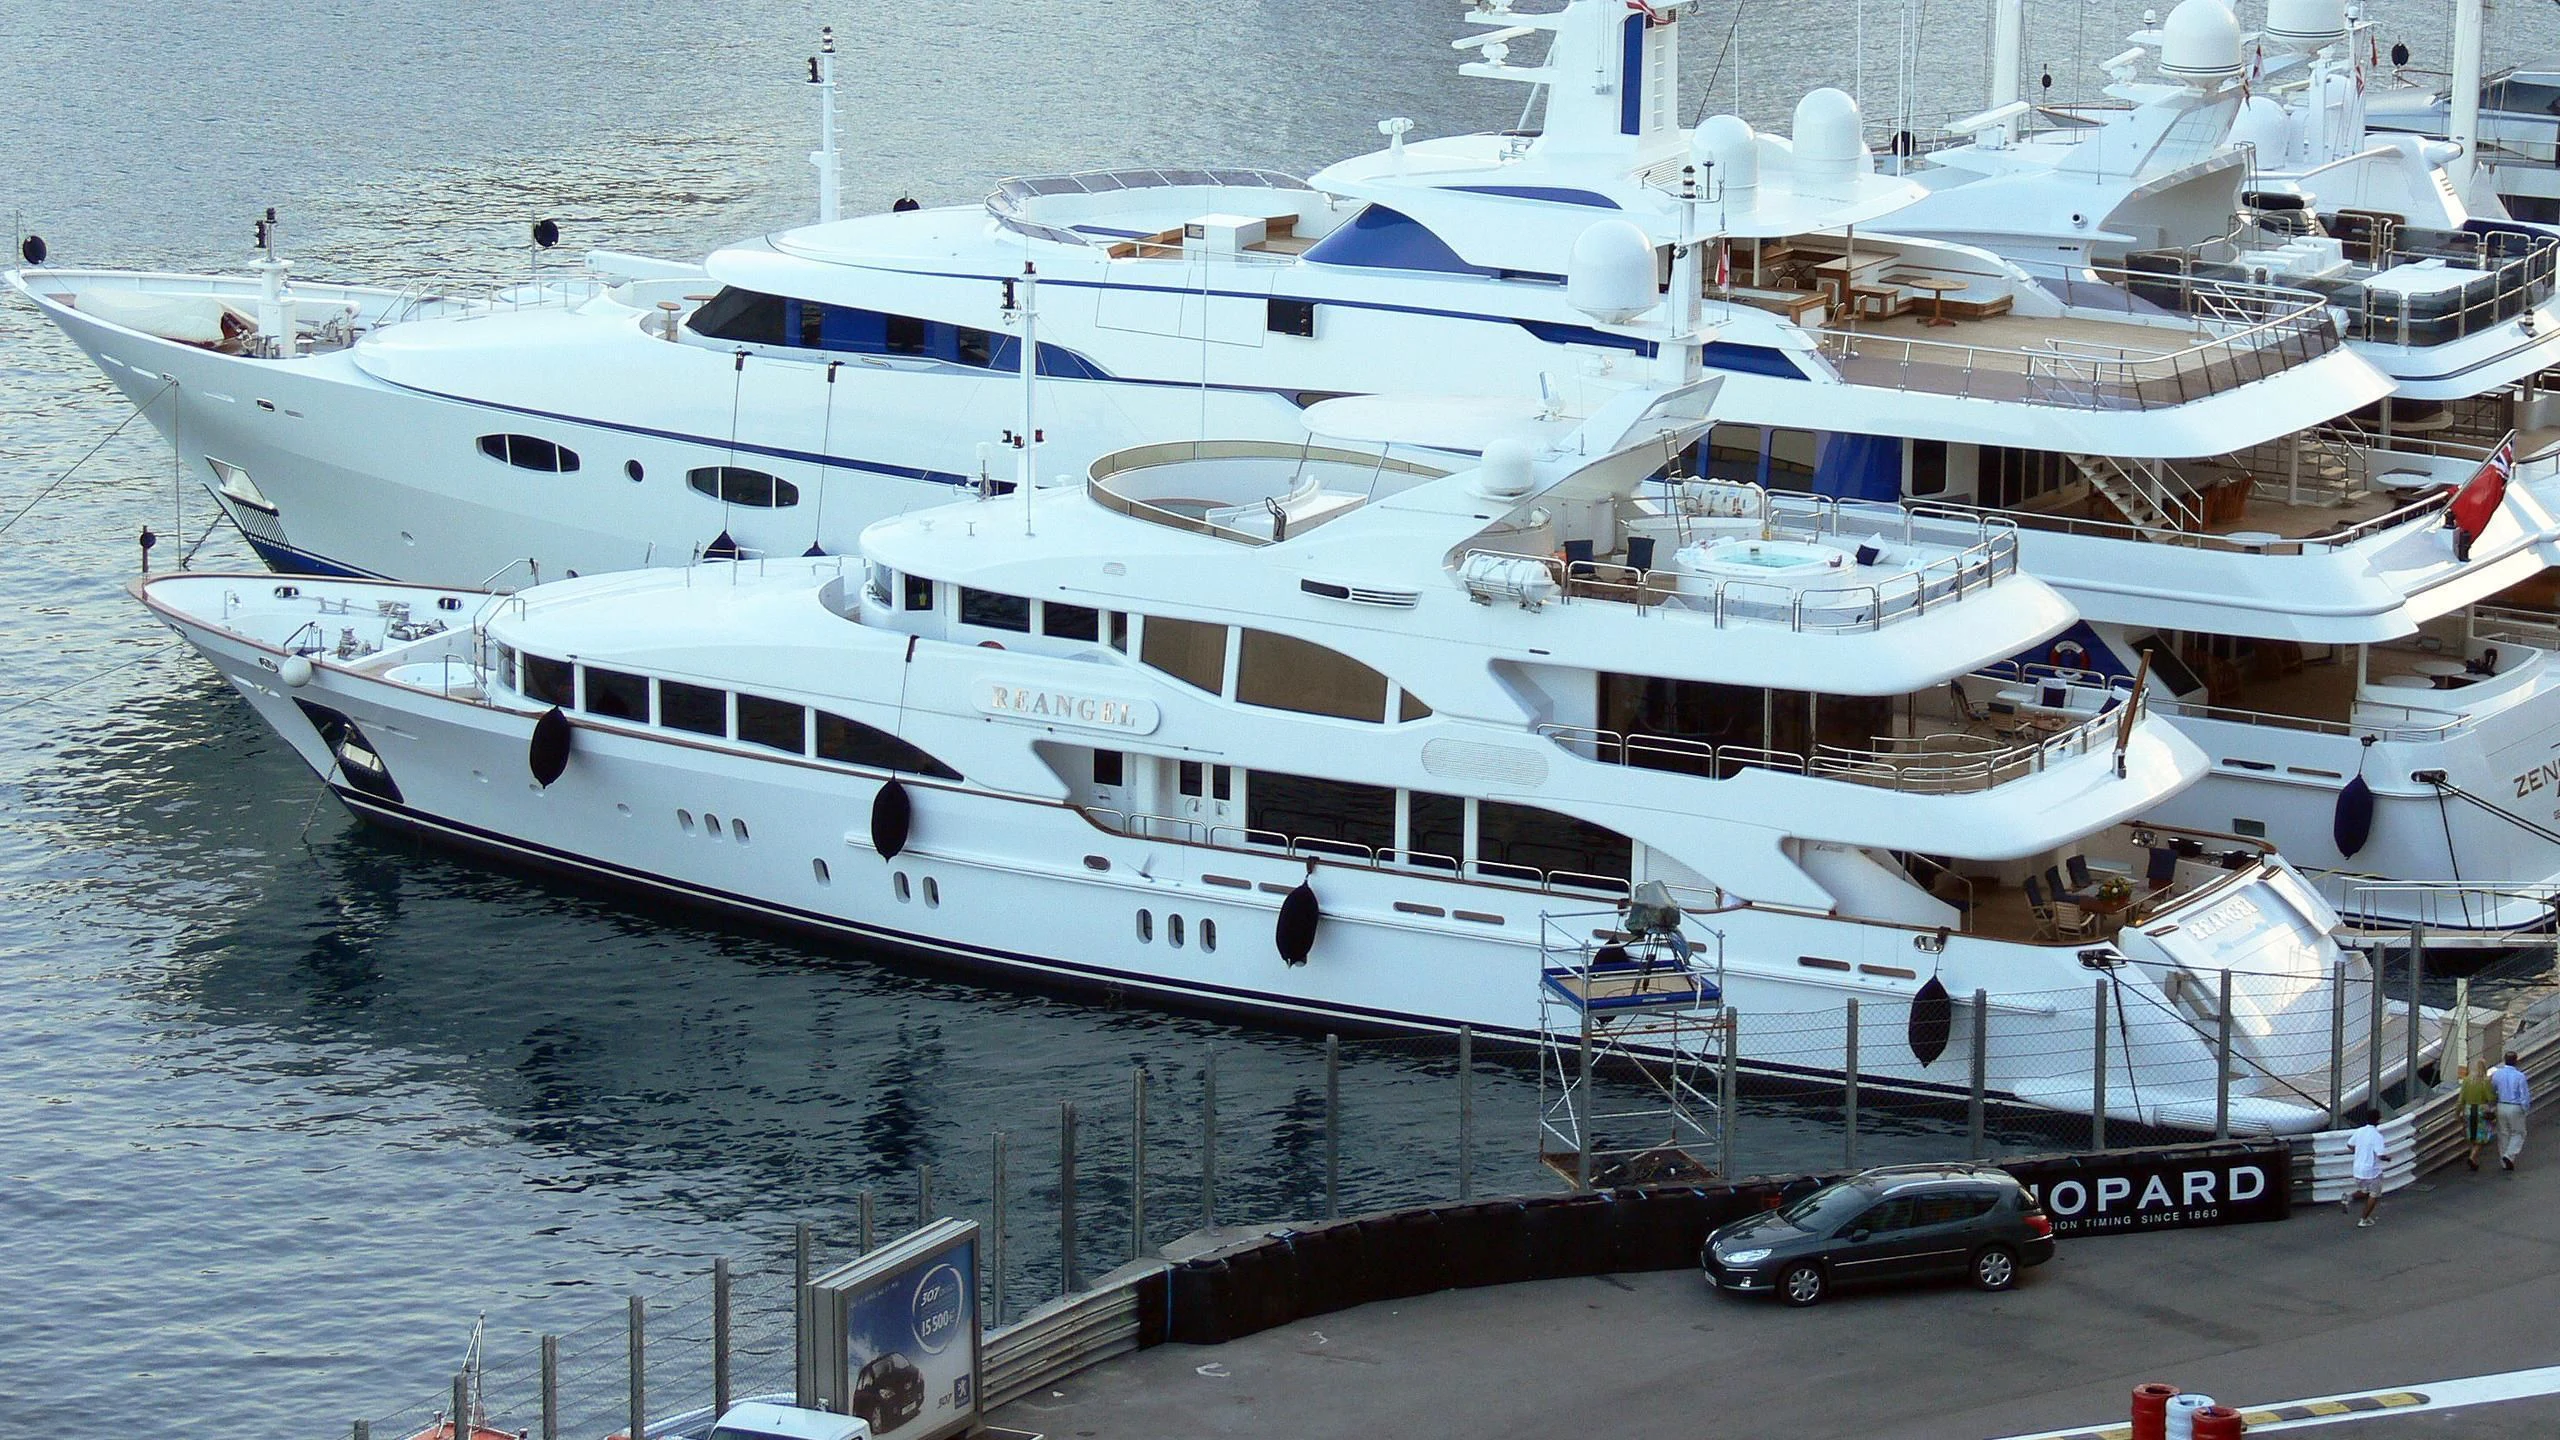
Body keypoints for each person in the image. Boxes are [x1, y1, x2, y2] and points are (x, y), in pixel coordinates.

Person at [2345, 1107, 2387, 1227]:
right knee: (2374, 1194)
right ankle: (2364, 1219)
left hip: (2357, 1169)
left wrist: (2358, 1152)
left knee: (2364, 1191)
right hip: (2372, 1171)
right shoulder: (2377, 1136)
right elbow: (2380, 1155)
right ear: (2378, 1120)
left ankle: (2349, 1197)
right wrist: (2388, 1158)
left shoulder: (2359, 1131)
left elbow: (2349, 1144)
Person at [2490, 1052, 2532, 1171]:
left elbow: (2492, 1090)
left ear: (2504, 1060)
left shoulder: (2497, 1074)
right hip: (2515, 1106)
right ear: (2516, 1060)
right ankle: (2509, 1155)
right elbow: (2524, 1094)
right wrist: (2525, 1108)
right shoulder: (2520, 1076)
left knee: (2503, 1133)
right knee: (2519, 1132)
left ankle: (2504, 1160)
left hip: (2501, 1105)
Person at [2460, 1062, 2496, 1171]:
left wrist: (2457, 1113)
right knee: (2481, 1137)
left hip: (2468, 1110)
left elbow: (2461, 1099)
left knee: (2471, 1134)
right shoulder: (2485, 1081)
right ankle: (2472, 1157)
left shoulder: (2466, 1081)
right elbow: (2490, 1098)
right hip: (2480, 1110)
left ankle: (2473, 1157)